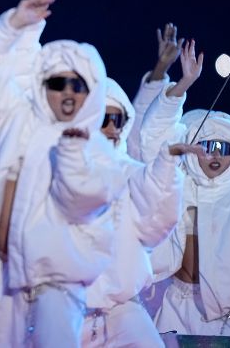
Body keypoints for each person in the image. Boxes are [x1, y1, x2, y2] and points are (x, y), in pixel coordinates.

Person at [0, 0, 127, 347]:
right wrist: (18, 24)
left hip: (56, 291)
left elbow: (83, 197)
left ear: (91, 91)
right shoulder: (11, 119)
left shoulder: (99, 150)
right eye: (57, 82)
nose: (67, 92)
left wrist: (74, 151)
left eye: (77, 85)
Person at [80, 59, 204, 347]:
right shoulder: (56, 170)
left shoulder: (132, 173)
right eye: (103, 120)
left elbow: (157, 223)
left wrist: (167, 165)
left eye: (118, 120)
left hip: (122, 310)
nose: (112, 128)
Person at [149, 109, 230, 336]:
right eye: (207, 147)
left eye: (224, 148)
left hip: (228, 316)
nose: (215, 155)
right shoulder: (179, 191)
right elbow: (152, 148)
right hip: (176, 307)